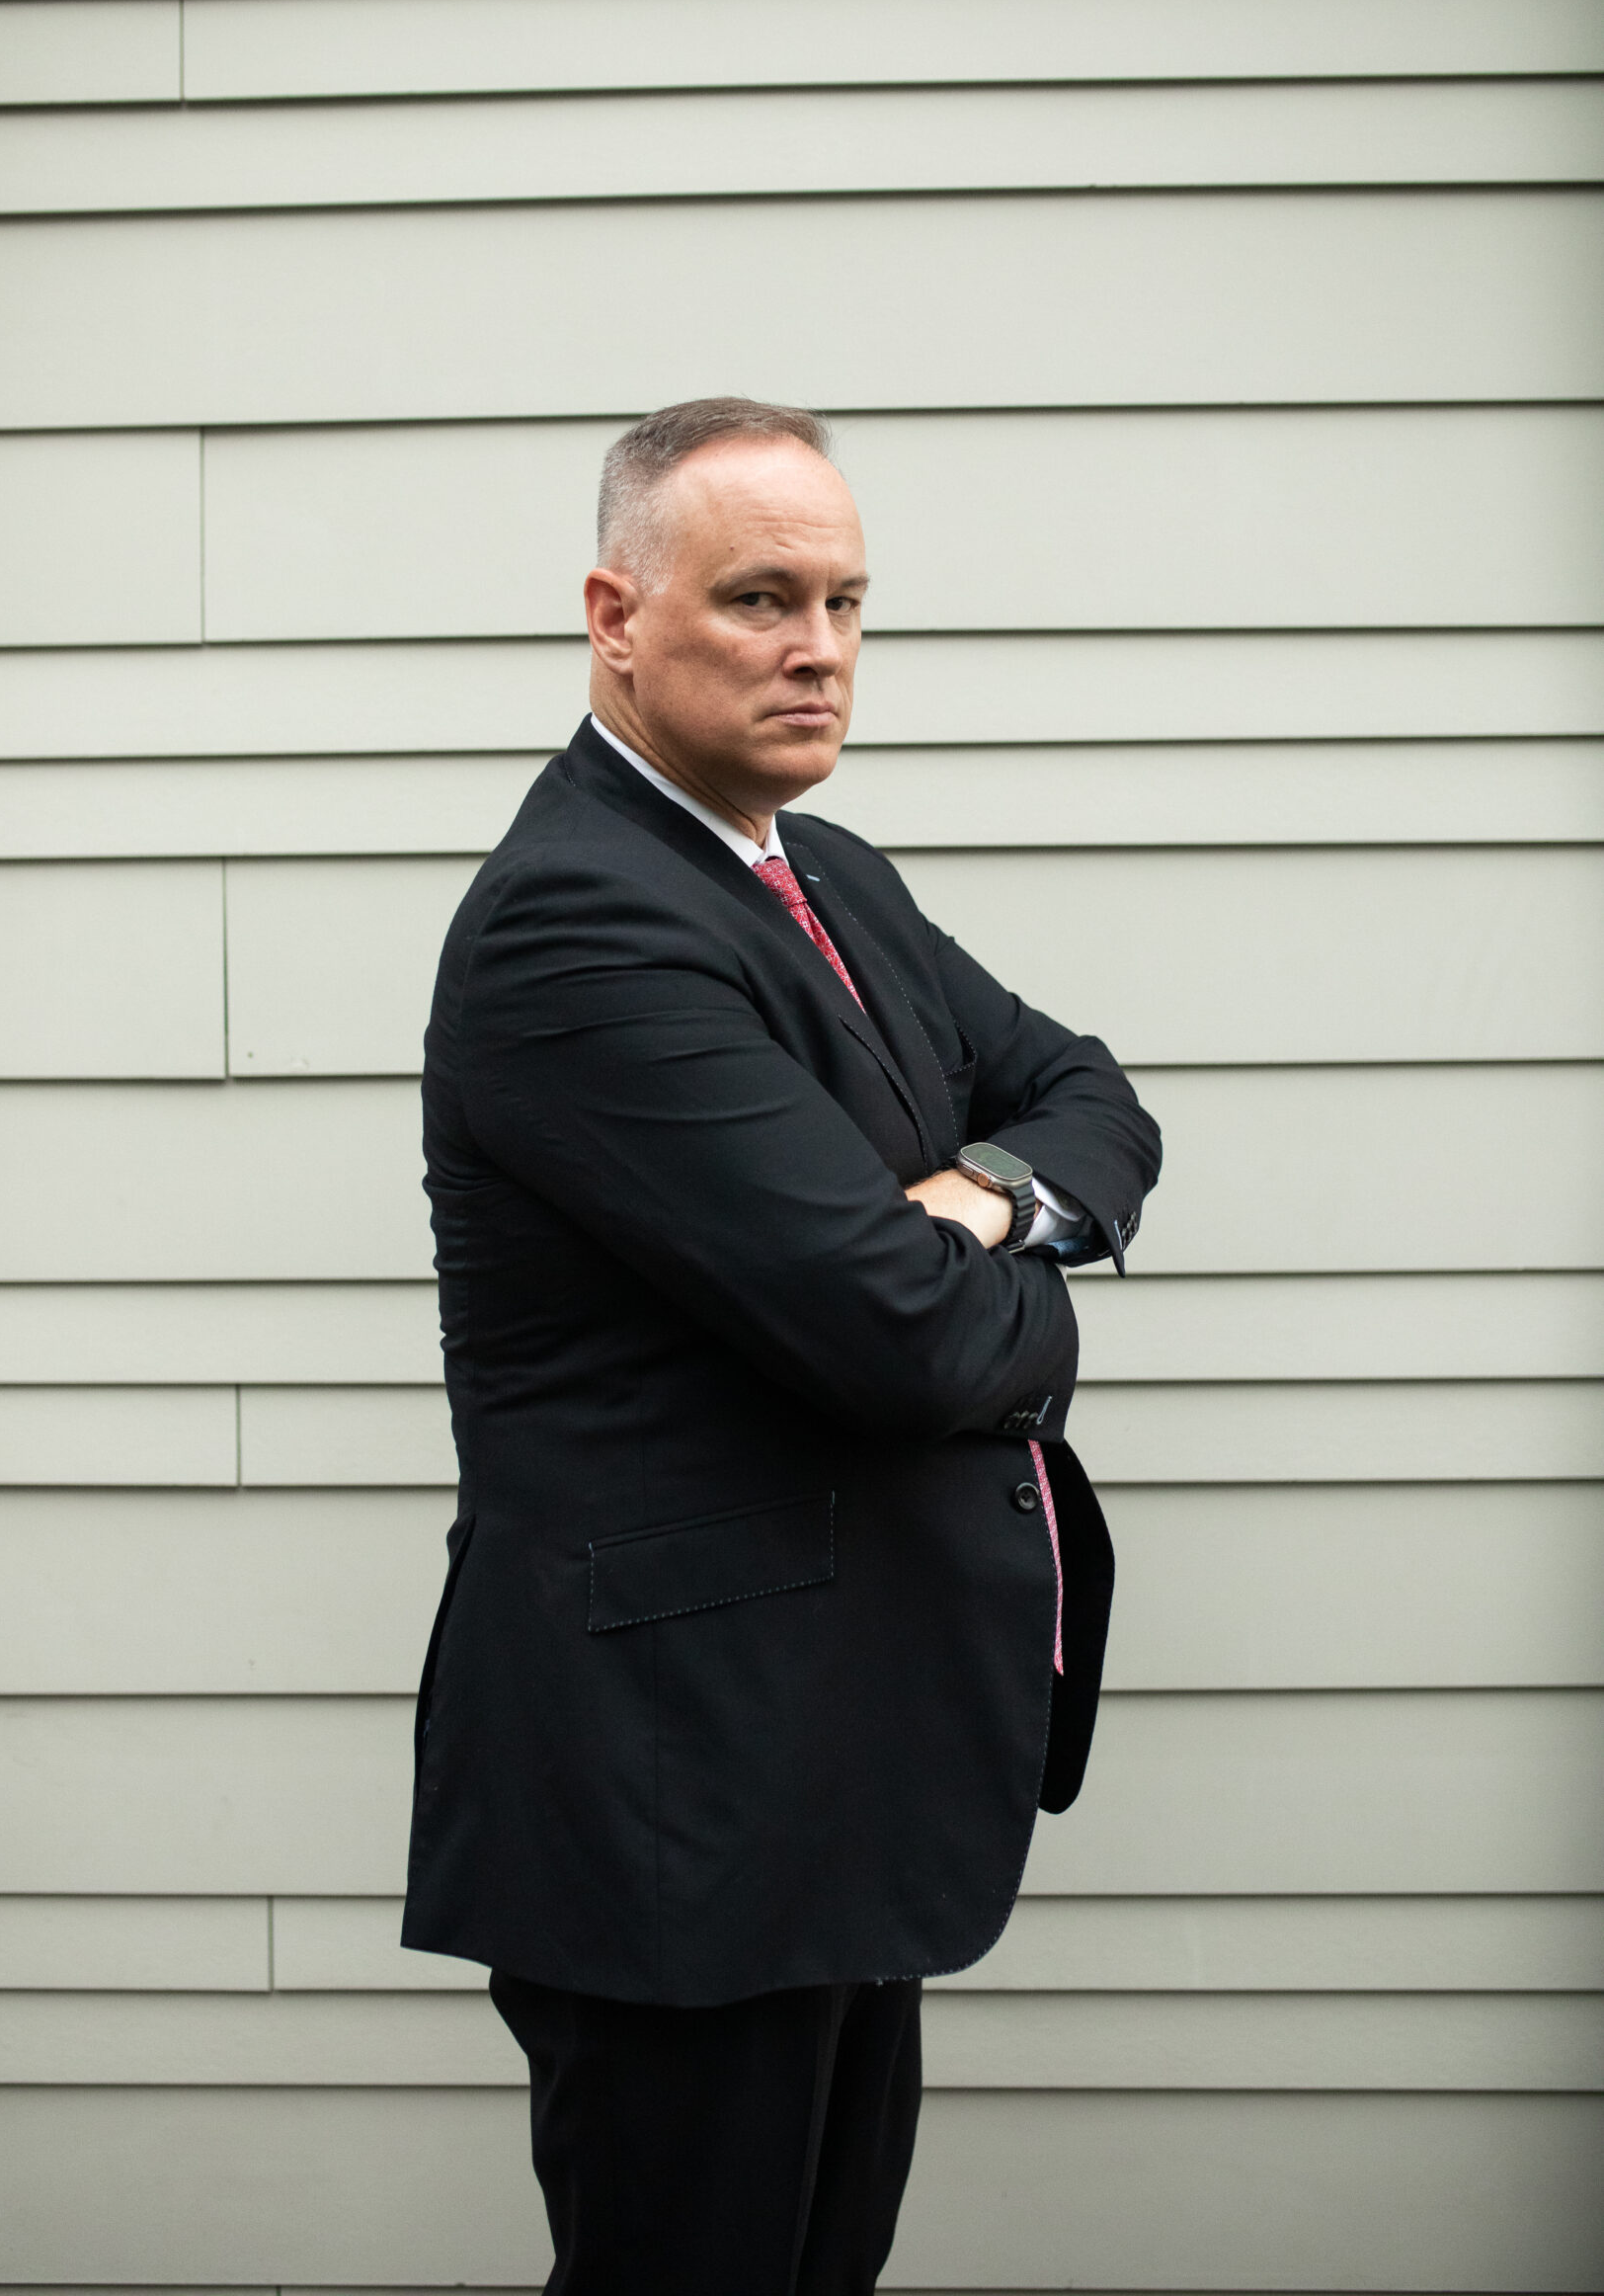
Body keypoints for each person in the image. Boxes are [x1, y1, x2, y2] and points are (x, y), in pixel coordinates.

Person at [404, 396, 1162, 2294]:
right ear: (616, 616)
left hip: (830, 1759)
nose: (818, 647)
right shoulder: (576, 926)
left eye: (844, 602)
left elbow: (1089, 1094)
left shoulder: (827, 875)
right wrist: (1008, 1282)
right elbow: (900, 1342)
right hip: (684, 1796)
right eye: (759, 598)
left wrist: (977, 1197)